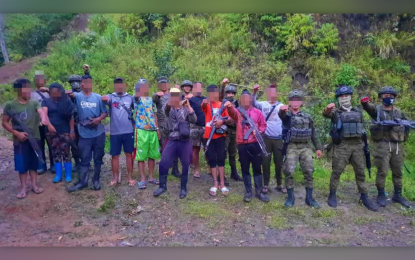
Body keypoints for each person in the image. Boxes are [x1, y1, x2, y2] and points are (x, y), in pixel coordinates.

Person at [323, 85, 378, 211]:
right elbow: (326, 114)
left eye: (346, 95)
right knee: (336, 171)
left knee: (360, 172)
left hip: (358, 145)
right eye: (342, 96)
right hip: (342, 145)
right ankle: (332, 194)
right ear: (338, 98)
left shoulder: (358, 110)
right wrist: (327, 109)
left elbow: (364, 126)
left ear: (351, 96)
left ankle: (364, 196)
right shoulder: (335, 112)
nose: (344, 98)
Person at [361, 86, 411, 208]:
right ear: (381, 97)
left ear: (394, 97)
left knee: (398, 171)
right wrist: (365, 103)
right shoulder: (377, 110)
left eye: (391, 96)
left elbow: (407, 124)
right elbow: (369, 108)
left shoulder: (398, 112)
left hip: (397, 146)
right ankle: (381, 194)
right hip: (382, 145)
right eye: (386, 96)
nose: (389, 98)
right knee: (382, 171)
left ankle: (398, 195)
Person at [2, 78, 48, 199]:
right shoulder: (10, 105)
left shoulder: (34, 103)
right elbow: (5, 123)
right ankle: (23, 188)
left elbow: (41, 111)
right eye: (25, 88)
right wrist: (16, 133)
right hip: (20, 140)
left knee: (33, 163)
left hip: (35, 138)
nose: (28, 90)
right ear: (18, 90)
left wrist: (43, 119)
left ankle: (34, 185)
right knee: (22, 165)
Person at [279, 90, 323, 208]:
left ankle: (309, 198)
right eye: (293, 100)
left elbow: (313, 133)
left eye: (298, 99)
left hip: (305, 146)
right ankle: (290, 197)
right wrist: (281, 110)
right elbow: (281, 115)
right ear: (289, 102)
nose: (295, 102)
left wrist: (318, 148)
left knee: (309, 171)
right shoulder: (287, 116)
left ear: (301, 102)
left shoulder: (307, 116)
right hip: (291, 146)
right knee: (289, 171)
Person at [225, 89, 269, 203]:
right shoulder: (238, 113)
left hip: (255, 144)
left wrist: (258, 131)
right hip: (242, 145)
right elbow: (231, 112)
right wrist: (229, 107)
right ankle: (248, 192)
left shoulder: (258, 112)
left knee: (257, 168)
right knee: (245, 168)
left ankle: (259, 192)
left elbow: (264, 125)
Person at [153, 87, 196, 199]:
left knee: (185, 164)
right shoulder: (169, 108)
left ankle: (183, 188)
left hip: (184, 140)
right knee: (164, 161)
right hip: (172, 139)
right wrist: (172, 102)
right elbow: (166, 108)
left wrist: (189, 106)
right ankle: (162, 186)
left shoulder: (185, 109)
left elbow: (194, 120)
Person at [68, 75, 107, 192]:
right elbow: (69, 93)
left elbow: (105, 113)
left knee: (98, 158)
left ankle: (96, 180)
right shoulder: (77, 96)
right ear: (81, 84)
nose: (87, 84)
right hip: (84, 134)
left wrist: (98, 119)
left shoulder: (98, 97)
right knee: (84, 158)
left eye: (89, 82)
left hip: (98, 132)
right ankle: (83, 182)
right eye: (84, 82)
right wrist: (71, 130)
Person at [252, 84, 286, 194]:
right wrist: (254, 92)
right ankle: (265, 184)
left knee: (279, 162)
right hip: (265, 137)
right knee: (265, 162)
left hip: (278, 138)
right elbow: (253, 103)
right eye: (270, 93)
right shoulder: (262, 104)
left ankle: (279, 184)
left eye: (274, 93)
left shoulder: (281, 106)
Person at [102, 77, 136, 187]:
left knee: (129, 155)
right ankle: (115, 178)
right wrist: (103, 98)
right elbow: (104, 99)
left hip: (129, 131)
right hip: (115, 132)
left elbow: (137, 108)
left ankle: (130, 178)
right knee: (115, 156)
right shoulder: (111, 97)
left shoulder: (130, 98)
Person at [42, 83, 75, 183]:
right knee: (55, 153)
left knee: (66, 152)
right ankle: (58, 175)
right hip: (51, 132)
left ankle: (68, 175)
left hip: (65, 131)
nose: (55, 93)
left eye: (57, 91)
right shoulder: (46, 101)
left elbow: (71, 117)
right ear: (50, 92)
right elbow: (44, 114)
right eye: (53, 91)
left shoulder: (66, 101)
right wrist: (49, 125)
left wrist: (72, 130)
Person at [202, 85, 231, 196]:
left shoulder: (221, 105)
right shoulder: (207, 104)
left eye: (215, 92)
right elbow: (203, 105)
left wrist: (221, 121)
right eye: (211, 93)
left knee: (221, 159)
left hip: (220, 136)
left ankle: (222, 183)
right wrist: (206, 101)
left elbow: (228, 118)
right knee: (212, 159)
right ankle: (215, 183)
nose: (213, 95)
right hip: (208, 136)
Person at [133, 78, 161, 189]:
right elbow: (135, 97)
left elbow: (155, 115)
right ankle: (143, 179)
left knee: (152, 155)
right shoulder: (137, 98)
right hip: (141, 130)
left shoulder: (151, 99)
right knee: (141, 156)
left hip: (152, 131)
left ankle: (151, 177)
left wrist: (157, 129)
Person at [152, 76, 180, 178]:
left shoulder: (173, 94)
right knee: (164, 147)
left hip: (174, 125)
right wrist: (155, 95)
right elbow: (150, 100)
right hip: (163, 126)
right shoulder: (157, 96)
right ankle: (165, 168)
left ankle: (175, 169)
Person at [31, 70, 54, 174]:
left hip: (49, 122)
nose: (39, 81)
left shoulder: (50, 92)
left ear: (45, 80)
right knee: (39, 145)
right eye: (37, 79)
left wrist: (49, 91)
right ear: (34, 81)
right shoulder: (31, 94)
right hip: (37, 124)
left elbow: (58, 100)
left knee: (51, 144)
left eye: (41, 79)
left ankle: (53, 165)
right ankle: (42, 165)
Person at [223, 84, 243, 182]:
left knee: (233, 153)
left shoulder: (237, 103)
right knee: (223, 152)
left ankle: (234, 172)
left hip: (234, 130)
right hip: (225, 130)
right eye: (228, 93)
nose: (230, 95)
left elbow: (240, 114)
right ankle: (222, 175)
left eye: (232, 93)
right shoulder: (222, 102)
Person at [188, 81, 206, 178]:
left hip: (205, 126)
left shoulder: (206, 99)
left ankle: (211, 169)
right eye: (196, 88)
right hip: (194, 126)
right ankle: (196, 168)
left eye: (200, 88)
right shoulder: (191, 99)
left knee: (208, 149)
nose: (198, 90)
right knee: (196, 149)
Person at [67, 75, 82, 173]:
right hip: (72, 124)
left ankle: (86, 162)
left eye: (76, 82)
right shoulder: (67, 95)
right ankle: (77, 163)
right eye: (72, 82)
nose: (75, 84)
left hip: (84, 124)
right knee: (74, 145)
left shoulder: (84, 94)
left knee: (85, 144)